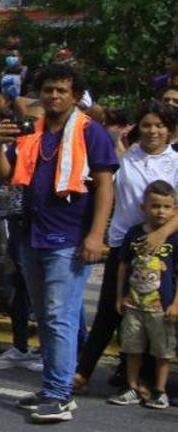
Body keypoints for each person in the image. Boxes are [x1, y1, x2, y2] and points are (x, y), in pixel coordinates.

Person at [0, 63, 119, 423]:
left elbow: (106, 186)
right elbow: (4, 175)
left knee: (60, 316)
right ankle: (51, 386)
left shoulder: (91, 133)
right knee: (45, 317)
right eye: (49, 89)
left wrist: (95, 235)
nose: (54, 96)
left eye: (62, 90)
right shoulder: (33, 132)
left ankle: (60, 394)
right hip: (32, 235)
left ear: (75, 95)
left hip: (68, 239)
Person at [75, 101, 178, 391]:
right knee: (110, 310)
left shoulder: (176, 162)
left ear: (169, 130)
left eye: (159, 125)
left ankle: (144, 379)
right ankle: (83, 372)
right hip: (123, 244)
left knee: (154, 315)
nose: (153, 131)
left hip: (163, 249)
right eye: (146, 125)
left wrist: (161, 234)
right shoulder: (126, 157)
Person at [106, 180, 177, 409]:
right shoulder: (134, 234)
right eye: (155, 205)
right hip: (134, 305)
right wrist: (119, 296)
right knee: (132, 348)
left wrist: (176, 303)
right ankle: (132, 387)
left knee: (162, 351)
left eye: (167, 207)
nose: (161, 211)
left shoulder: (174, 238)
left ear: (175, 209)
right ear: (143, 207)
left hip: (161, 308)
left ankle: (159, 390)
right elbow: (124, 266)